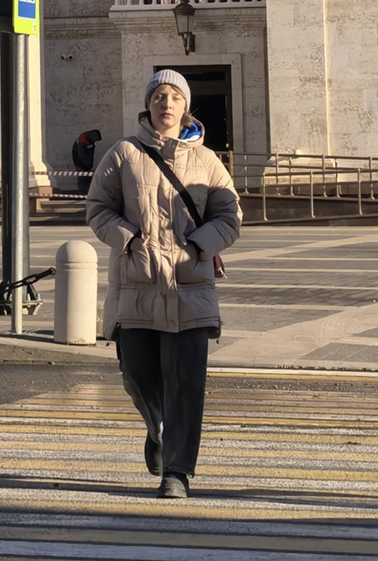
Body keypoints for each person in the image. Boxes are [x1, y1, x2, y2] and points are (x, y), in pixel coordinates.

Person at [85, 69, 241, 500]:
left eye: (174, 96)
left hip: (190, 286)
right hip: (136, 283)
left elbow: (230, 216)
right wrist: (130, 238)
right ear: (147, 104)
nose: (166, 103)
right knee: (136, 375)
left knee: (186, 383)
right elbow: (97, 207)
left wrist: (199, 245)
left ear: (185, 106)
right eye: (159, 95)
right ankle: (157, 428)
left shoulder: (207, 161)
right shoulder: (123, 153)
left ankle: (177, 471)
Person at [71, 128, 103, 197]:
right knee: (82, 178)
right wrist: (87, 164)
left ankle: (88, 192)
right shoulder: (82, 141)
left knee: (87, 178)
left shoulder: (89, 139)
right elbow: (82, 155)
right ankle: (83, 193)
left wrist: (90, 164)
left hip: (86, 163)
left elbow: (90, 152)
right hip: (80, 163)